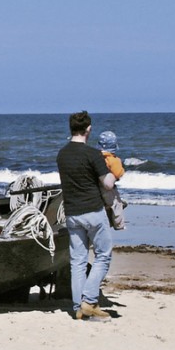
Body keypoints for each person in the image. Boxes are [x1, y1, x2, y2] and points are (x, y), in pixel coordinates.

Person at [56, 111, 117, 321]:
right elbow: (107, 183)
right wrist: (113, 172)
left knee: (78, 261)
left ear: (71, 128)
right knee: (103, 255)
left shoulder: (62, 155)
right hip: (93, 211)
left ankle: (78, 307)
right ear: (89, 129)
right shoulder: (92, 154)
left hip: (72, 213)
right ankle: (89, 301)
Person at [97, 131, 127, 230]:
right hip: (108, 188)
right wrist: (122, 171)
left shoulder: (96, 157)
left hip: (97, 186)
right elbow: (118, 173)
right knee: (116, 204)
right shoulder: (114, 160)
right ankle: (119, 225)